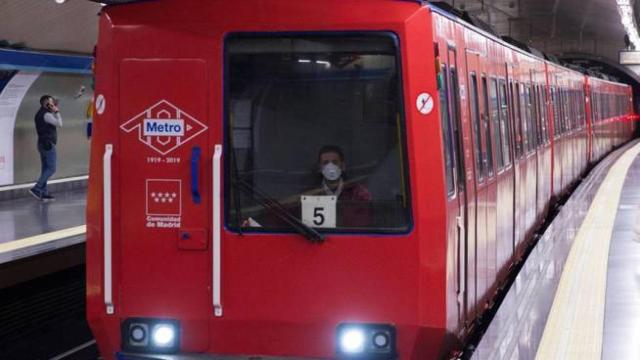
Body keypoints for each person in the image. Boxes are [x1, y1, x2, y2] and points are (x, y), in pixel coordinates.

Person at [315, 145, 371, 227]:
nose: (330, 167)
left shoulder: (359, 194)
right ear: (320, 168)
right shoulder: (310, 194)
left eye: (335, 162)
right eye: (326, 163)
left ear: (343, 166)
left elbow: (362, 226)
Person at [29, 95, 62, 202]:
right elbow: (59, 124)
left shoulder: (40, 113)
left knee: (45, 169)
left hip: (42, 144)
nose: (52, 104)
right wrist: (57, 112)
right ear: (46, 103)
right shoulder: (47, 115)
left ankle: (43, 192)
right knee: (52, 169)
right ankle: (37, 188)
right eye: (51, 102)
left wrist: (53, 110)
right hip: (48, 144)